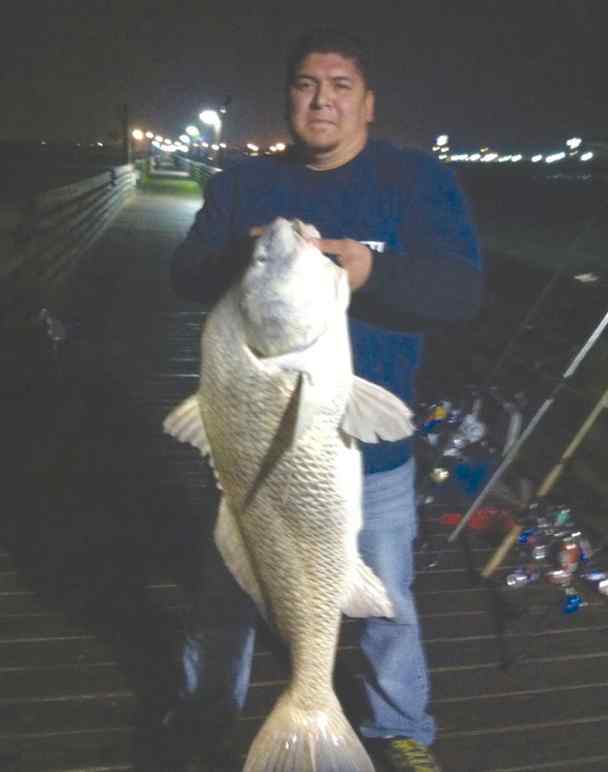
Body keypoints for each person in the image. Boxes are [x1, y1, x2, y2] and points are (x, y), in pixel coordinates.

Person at [166, 27, 483, 772]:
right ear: (289, 100)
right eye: (308, 85)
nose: (323, 100)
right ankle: (207, 710)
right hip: (248, 455)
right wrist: (241, 258)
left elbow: (462, 291)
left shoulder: (415, 180)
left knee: (385, 603)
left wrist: (374, 272)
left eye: (341, 87)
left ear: (368, 105)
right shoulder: (244, 184)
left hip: (369, 454)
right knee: (228, 595)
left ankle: (401, 729)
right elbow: (184, 274)